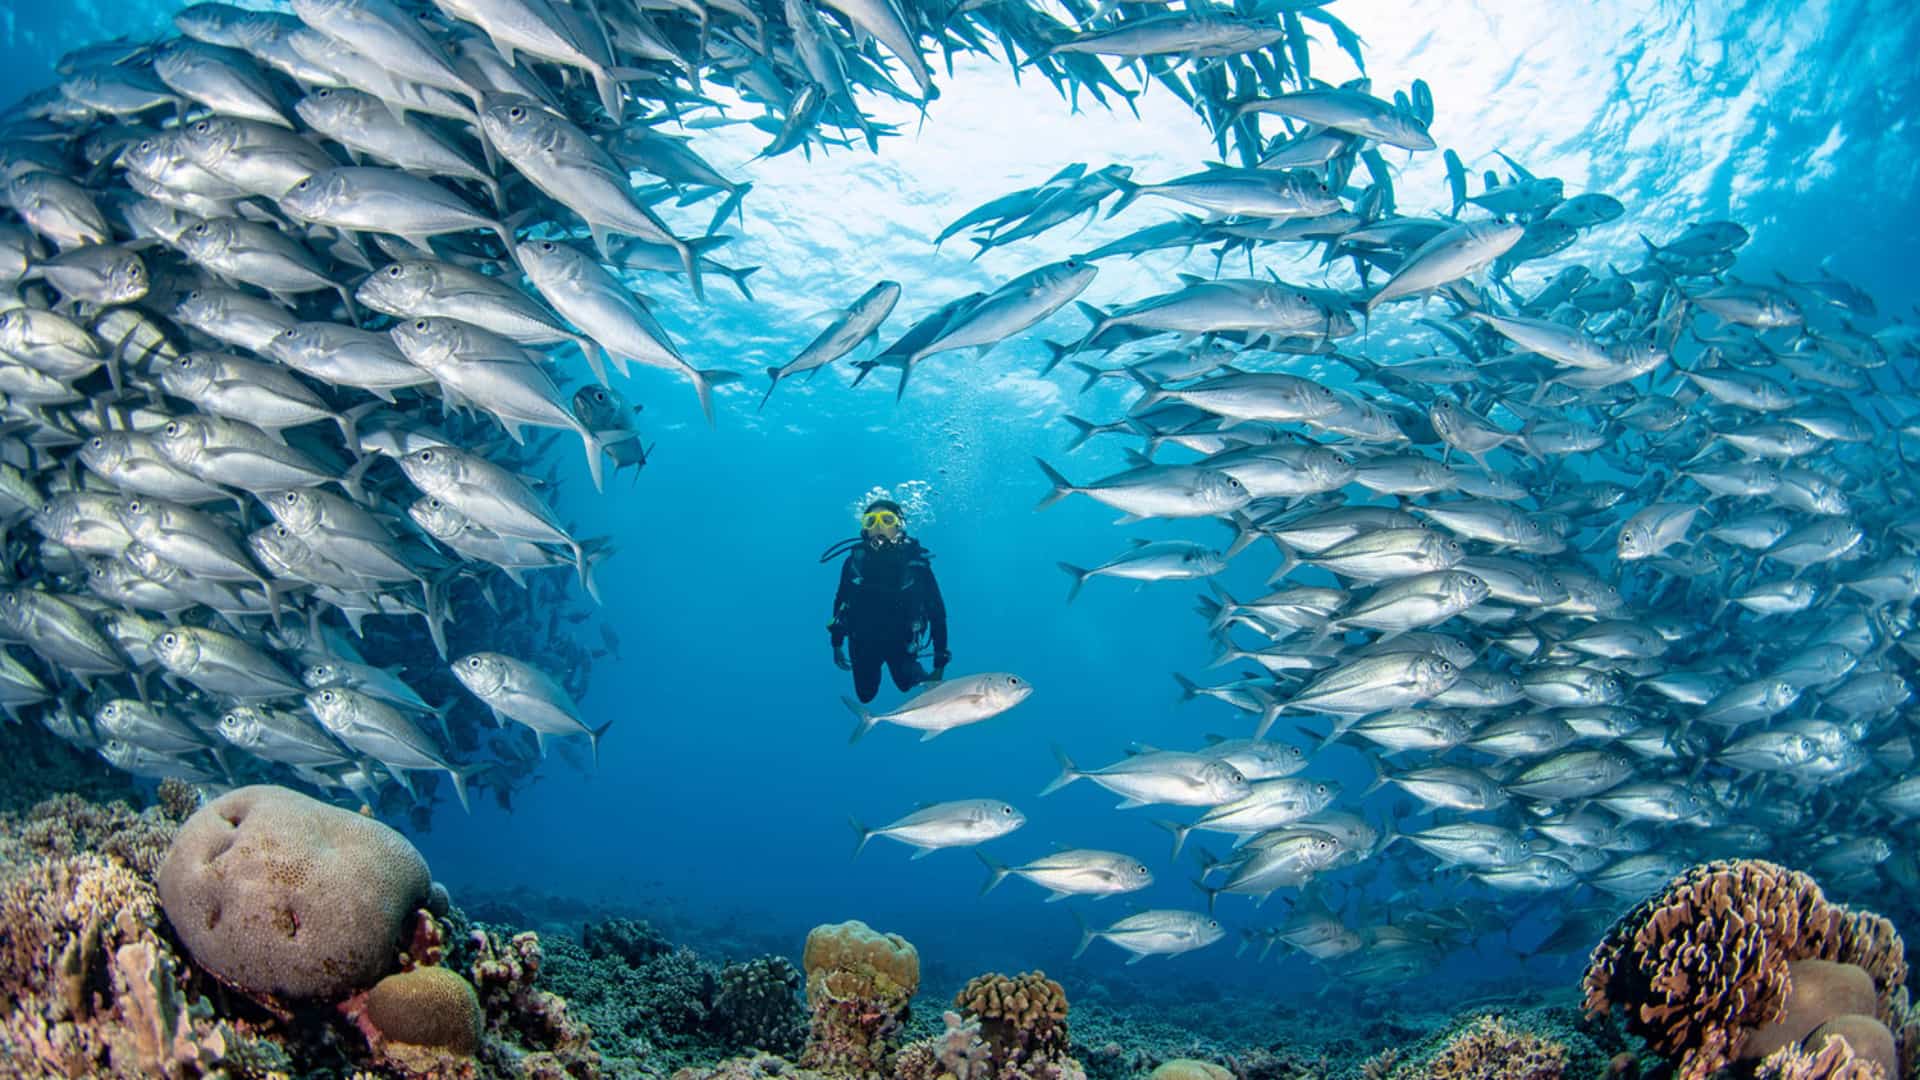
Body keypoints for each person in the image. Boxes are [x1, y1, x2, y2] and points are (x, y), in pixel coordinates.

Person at [823, 499, 950, 704]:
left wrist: (940, 662)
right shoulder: (855, 561)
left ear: (898, 525)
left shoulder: (916, 563)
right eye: (871, 521)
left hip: (902, 639)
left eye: (887, 519)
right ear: (864, 528)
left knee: (905, 684)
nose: (879, 526)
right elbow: (841, 600)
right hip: (863, 640)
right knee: (865, 695)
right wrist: (836, 643)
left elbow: (936, 611)